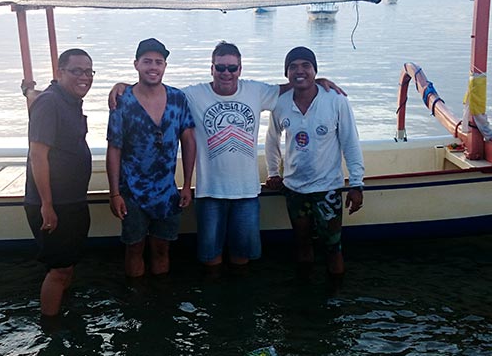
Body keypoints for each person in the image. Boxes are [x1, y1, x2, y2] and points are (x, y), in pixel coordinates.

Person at [110, 41, 341, 274]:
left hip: (247, 193)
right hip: (209, 193)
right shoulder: (193, 94)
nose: (226, 73)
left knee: (242, 259)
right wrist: (125, 86)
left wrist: (316, 81)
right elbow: (155, 89)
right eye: (220, 67)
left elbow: (289, 87)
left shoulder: (256, 91)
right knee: (210, 260)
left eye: (232, 68)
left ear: (240, 69)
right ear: (212, 68)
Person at [265, 46, 364, 277]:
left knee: (333, 248)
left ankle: (335, 293)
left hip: (328, 189)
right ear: (286, 74)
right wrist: (273, 172)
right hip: (294, 189)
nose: (300, 71)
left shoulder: (336, 100)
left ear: (315, 70)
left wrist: (356, 184)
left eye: (306, 66)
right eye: (293, 67)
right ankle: (305, 290)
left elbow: (350, 142)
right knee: (301, 245)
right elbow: (271, 139)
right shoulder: (280, 103)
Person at [106, 38, 196, 277]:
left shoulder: (177, 98)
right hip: (131, 192)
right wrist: (114, 194)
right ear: (136, 64)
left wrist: (187, 184)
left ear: (165, 66)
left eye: (158, 62)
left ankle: (160, 296)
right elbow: (114, 148)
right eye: (147, 61)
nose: (153, 67)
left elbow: (188, 141)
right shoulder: (122, 101)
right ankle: (136, 297)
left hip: (167, 192)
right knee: (134, 249)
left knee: (161, 249)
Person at [24, 48, 94, 317]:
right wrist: (47, 205)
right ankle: (50, 327)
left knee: (68, 264)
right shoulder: (50, 102)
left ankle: (65, 313)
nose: (84, 77)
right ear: (60, 72)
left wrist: (28, 91)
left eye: (88, 72)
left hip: (72, 200)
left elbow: (33, 96)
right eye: (77, 71)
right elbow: (38, 155)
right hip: (54, 203)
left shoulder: (70, 99)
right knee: (59, 269)